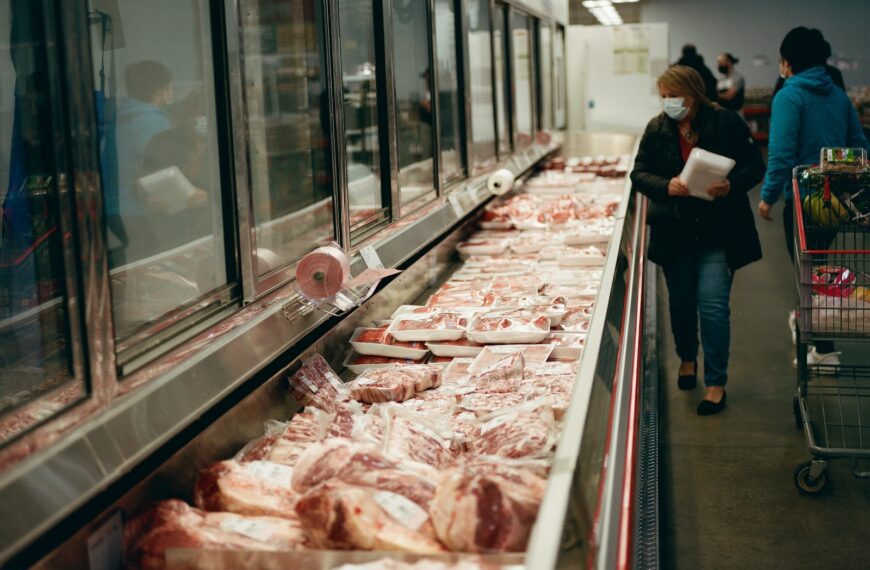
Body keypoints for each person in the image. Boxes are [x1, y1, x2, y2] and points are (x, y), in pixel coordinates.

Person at [631, 65, 765, 415]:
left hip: (718, 233)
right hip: (674, 234)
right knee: (681, 304)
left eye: (674, 96)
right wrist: (666, 185)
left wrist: (731, 185)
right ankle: (687, 358)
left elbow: (754, 165)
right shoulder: (657, 128)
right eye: (663, 97)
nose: (668, 103)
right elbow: (639, 173)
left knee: (714, 307)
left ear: (693, 95)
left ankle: (716, 382)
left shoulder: (725, 123)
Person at [757, 27, 868, 368]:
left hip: (803, 200)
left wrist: (767, 196)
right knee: (817, 267)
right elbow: (860, 148)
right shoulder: (837, 95)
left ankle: (823, 349)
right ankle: (806, 324)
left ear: (788, 62)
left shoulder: (790, 97)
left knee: (810, 272)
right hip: (835, 203)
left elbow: (780, 153)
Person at [108, 60, 174, 265]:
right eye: (170, 87)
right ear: (161, 90)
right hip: (138, 209)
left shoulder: (121, 117)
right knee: (153, 264)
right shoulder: (152, 121)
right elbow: (159, 168)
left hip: (114, 206)